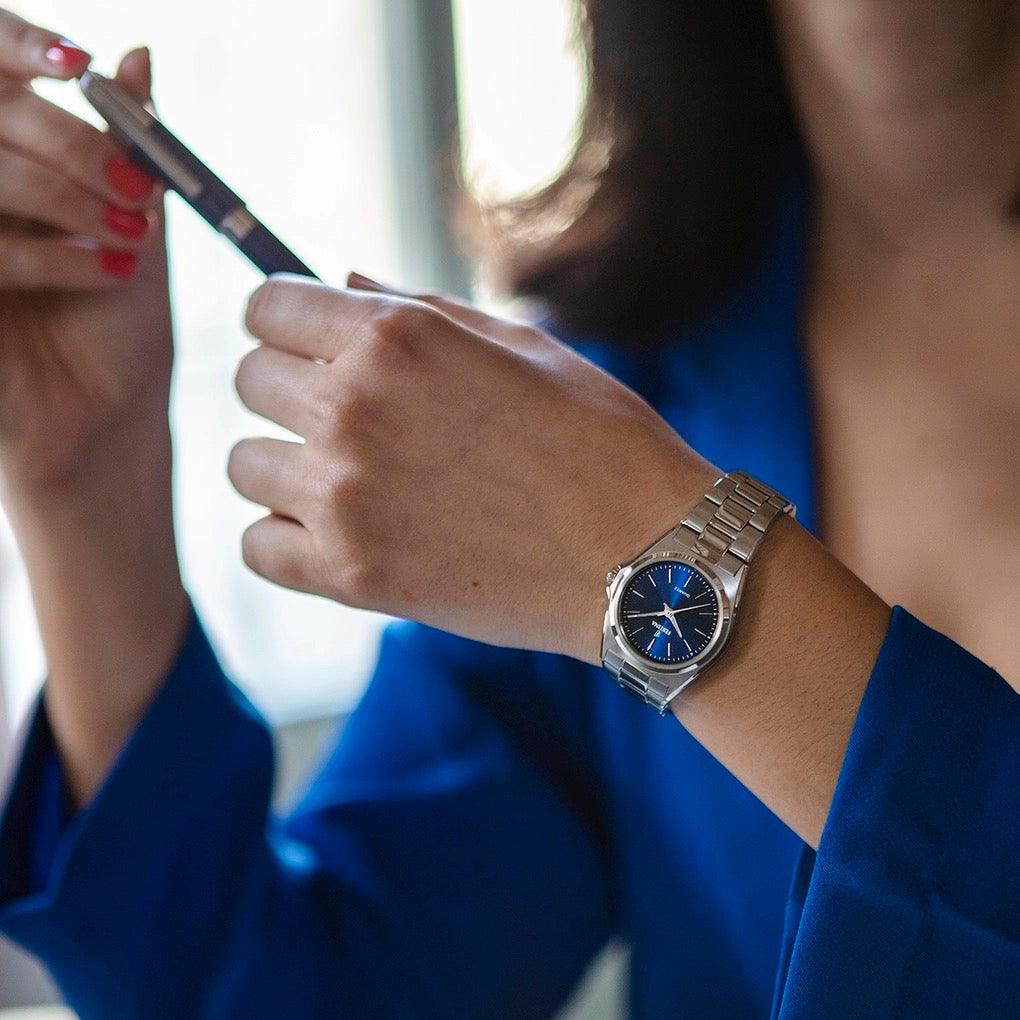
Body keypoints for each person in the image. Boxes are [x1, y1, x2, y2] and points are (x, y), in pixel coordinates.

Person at [0, 1, 1017, 1016]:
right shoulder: (621, 394)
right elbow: (301, 992)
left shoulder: (599, 479)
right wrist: (84, 480)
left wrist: (650, 552)